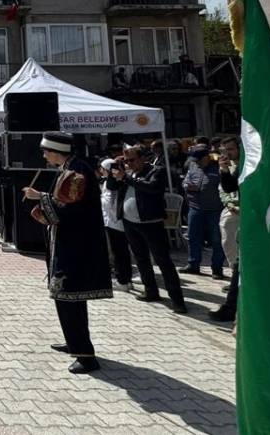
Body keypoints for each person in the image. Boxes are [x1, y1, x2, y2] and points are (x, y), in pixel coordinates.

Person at [22, 131, 112, 374]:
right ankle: (74, 341)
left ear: (55, 152)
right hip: (72, 240)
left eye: (45, 151)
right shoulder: (71, 168)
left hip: (77, 244)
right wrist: (43, 198)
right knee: (66, 297)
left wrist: (38, 198)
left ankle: (85, 355)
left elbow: (66, 210)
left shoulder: (75, 173)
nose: (44, 156)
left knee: (69, 296)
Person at [113, 145, 187, 313]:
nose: (129, 163)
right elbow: (112, 186)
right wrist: (116, 169)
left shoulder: (156, 171)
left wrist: (127, 177)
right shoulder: (127, 174)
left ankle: (178, 300)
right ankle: (151, 291)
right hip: (130, 222)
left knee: (163, 261)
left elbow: (151, 188)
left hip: (150, 223)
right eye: (126, 160)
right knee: (140, 258)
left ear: (142, 158)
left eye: (132, 160)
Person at [182, 144, 225, 278]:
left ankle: (217, 268)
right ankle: (193, 264)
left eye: (199, 160)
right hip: (195, 207)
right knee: (193, 236)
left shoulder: (218, 167)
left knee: (217, 239)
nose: (196, 162)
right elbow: (185, 181)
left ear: (206, 158)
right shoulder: (193, 165)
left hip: (215, 209)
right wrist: (187, 186)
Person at [211, 137, 240, 322]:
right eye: (225, 149)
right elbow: (227, 187)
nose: (228, 153)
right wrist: (223, 169)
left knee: (241, 262)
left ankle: (231, 306)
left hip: (250, 214)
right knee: (231, 250)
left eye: (231, 149)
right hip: (232, 211)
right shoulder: (228, 167)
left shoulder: (247, 163)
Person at [98, 158, 133, 292]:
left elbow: (108, 204)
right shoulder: (114, 181)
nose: (100, 171)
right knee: (122, 252)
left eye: (102, 168)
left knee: (119, 253)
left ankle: (122, 281)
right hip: (116, 221)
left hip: (114, 222)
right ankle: (127, 279)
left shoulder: (111, 183)